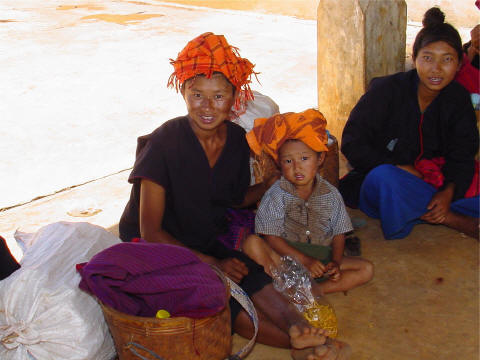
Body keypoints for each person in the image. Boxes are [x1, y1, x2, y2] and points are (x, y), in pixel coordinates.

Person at [119, 32, 349, 360]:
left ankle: (298, 328)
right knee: (219, 293)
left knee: (249, 270)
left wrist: (269, 184)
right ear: (183, 91)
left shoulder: (238, 140)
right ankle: (299, 343)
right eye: (197, 94)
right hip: (160, 246)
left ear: (235, 97)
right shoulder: (165, 142)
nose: (207, 107)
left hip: (205, 234)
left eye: (219, 96)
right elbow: (150, 231)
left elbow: (234, 199)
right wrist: (213, 263)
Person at [339, 7, 479, 240]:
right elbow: (353, 143)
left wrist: (448, 191)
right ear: (414, 59)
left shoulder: (459, 98)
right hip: (386, 181)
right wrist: (397, 167)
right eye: (427, 58)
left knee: (468, 179)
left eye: (447, 59)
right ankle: (452, 218)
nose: (436, 69)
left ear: (459, 65)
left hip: (435, 180)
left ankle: (429, 209)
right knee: (385, 179)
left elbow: (463, 153)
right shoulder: (386, 91)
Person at [243, 109, 373, 294]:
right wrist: (304, 261)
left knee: (366, 269)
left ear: (320, 159)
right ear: (279, 163)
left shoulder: (331, 195)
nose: (297, 167)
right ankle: (293, 288)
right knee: (252, 244)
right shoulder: (275, 195)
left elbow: (338, 234)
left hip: (321, 258)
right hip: (286, 259)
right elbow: (270, 237)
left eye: (304, 158)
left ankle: (311, 293)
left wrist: (335, 263)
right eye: (288, 161)